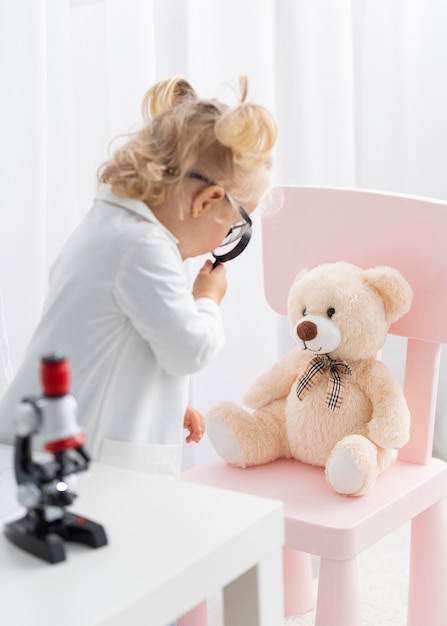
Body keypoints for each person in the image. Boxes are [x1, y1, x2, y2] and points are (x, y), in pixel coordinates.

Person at [0, 76, 277, 477]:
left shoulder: (110, 224)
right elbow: (189, 348)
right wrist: (208, 299)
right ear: (207, 200)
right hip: (77, 466)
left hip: (46, 439)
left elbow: (106, 340)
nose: (227, 239)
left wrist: (162, 397)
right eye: (234, 227)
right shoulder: (143, 248)